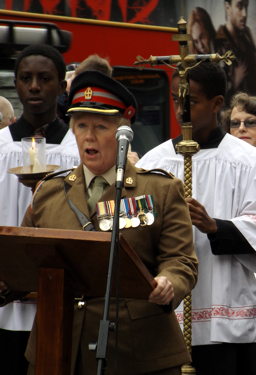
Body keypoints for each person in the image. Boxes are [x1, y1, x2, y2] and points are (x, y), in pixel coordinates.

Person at [20, 70, 198, 374]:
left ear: (122, 133)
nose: (89, 136)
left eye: (101, 126)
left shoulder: (159, 189)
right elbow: (23, 259)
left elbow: (181, 260)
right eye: (81, 126)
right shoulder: (49, 191)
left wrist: (170, 281)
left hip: (137, 349)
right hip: (59, 345)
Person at [137, 61, 256, 375]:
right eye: (176, 98)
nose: (180, 109)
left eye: (190, 100)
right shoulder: (154, 162)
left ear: (217, 104)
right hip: (169, 304)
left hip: (225, 303)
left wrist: (215, 226)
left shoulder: (247, 159)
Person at [0, 44, 80, 375]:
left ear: (62, 86)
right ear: (16, 84)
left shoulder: (78, 151)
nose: (34, 86)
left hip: (59, 303)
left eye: (44, 78)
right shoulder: (1, 147)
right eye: (26, 78)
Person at [216, 0, 256, 102]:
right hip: (232, 110)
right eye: (239, 6)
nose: (244, 14)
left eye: (246, 7)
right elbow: (215, 89)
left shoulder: (246, 36)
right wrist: (234, 82)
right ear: (227, 7)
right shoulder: (218, 42)